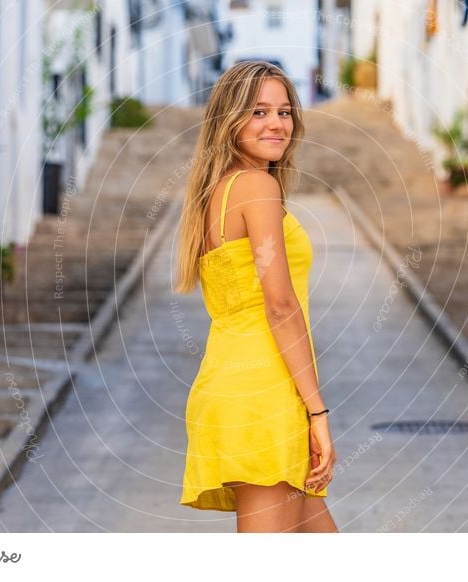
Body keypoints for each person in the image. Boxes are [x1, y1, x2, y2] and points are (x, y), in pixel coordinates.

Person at [173, 60, 338, 533]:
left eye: (284, 111)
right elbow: (280, 306)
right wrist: (318, 412)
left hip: (234, 387)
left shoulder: (217, 194)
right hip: (262, 395)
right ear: (230, 121)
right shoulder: (257, 188)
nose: (276, 123)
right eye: (259, 111)